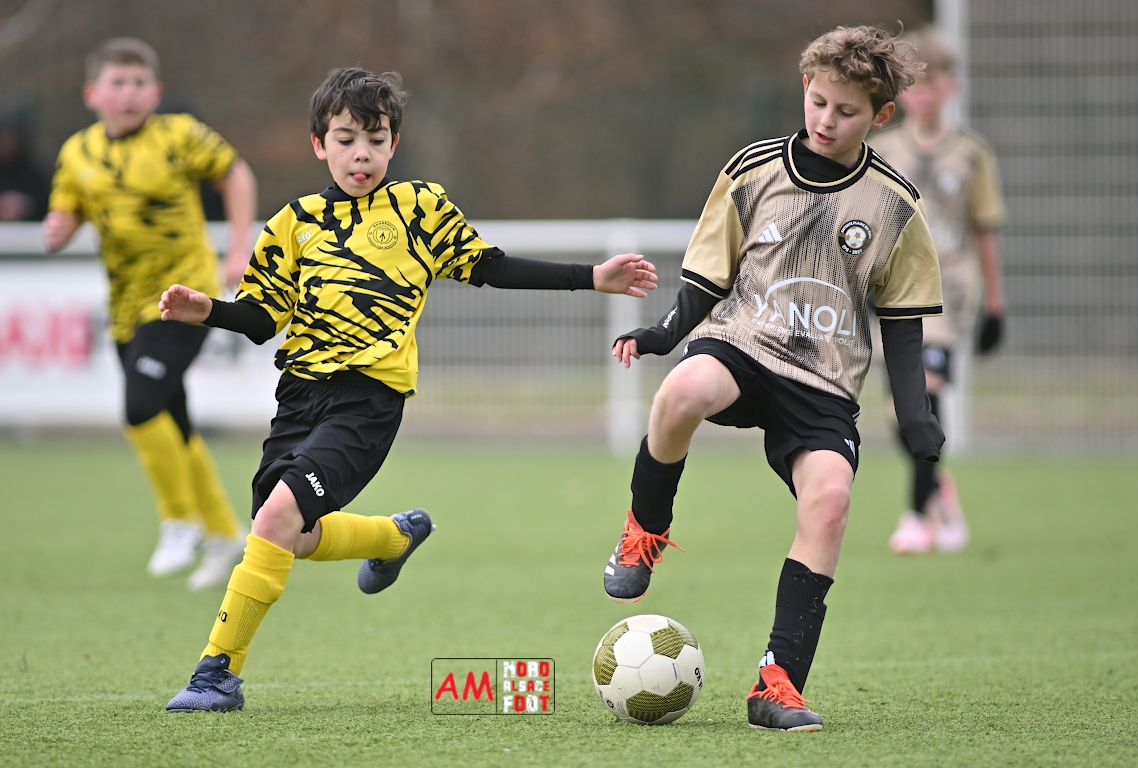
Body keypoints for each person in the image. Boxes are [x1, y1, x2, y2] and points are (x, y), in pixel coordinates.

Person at [158, 67, 658, 713]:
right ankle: (392, 538)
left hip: (368, 400)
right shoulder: (292, 223)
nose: (360, 154)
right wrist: (209, 311)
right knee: (288, 535)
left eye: (375, 140)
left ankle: (217, 673)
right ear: (319, 144)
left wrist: (590, 277)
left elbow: (491, 267)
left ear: (394, 144)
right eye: (345, 140)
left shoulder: (418, 209)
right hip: (299, 397)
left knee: (276, 518)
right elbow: (261, 320)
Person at [601, 26, 943, 731]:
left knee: (831, 500)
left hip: (824, 381)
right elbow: (708, 274)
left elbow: (903, 322)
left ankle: (777, 685)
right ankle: (645, 529)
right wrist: (665, 332)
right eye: (818, 102)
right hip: (744, 342)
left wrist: (915, 414)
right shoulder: (753, 170)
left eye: (846, 111)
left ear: (881, 116)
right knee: (682, 391)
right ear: (805, 88)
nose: (826, 120)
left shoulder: (895, 203)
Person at [43, 38, 257, 589]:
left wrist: (238, 248)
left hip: (184, 298)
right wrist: (60, 226)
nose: (130, 93)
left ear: (156, 92)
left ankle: (179, 520)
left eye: (139, 83)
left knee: (140, 406)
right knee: (171, 419)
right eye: (118, 83)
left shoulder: (178, 135)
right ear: (92, 94)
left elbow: (236, 174)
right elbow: (66, 207)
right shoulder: (78, 153)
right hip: (125, 307)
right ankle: (224, 531)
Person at [869, 27, 1006, 554]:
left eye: (936, 82)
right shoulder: (880, 150)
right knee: (899, 412)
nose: (926, 94)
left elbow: (984, 230)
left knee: (926, 389)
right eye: (917, 85)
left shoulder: (972, 155)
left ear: (952, 86)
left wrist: (996, 304)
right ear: (902, 93)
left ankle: (915, 516)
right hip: (893, 291)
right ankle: (938, 491)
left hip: (949, 289)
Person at [0, 111, 49, 221]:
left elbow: (46, 201)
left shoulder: (31, 172)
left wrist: (26, 205)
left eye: (10, 141)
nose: (6, 146)